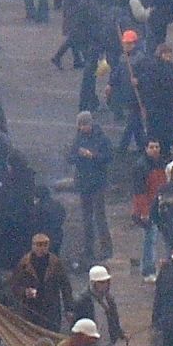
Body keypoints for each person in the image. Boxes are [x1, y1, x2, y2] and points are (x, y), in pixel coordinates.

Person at [69, 111, 113, 261]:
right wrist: (77, 155)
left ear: (91, 123)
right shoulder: (78, 139)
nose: (83, 127)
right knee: (86, 217)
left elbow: (108, 157)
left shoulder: (102, 138)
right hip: (83, 183)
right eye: (80, 125)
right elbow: (70, 157)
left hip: (98, 182)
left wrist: (92, 156)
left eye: (85, 124)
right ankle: (88, 248)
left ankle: (106, 248)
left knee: (100, 216)